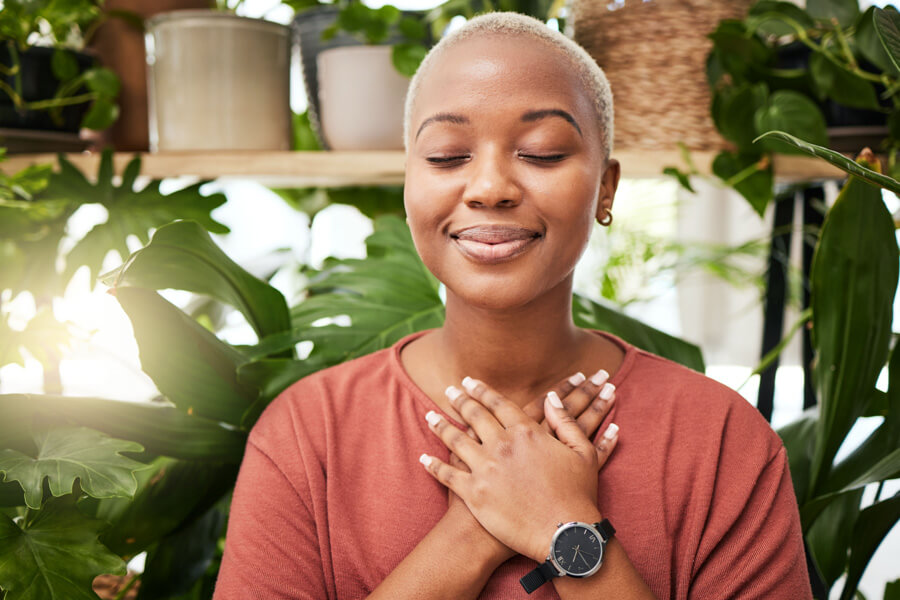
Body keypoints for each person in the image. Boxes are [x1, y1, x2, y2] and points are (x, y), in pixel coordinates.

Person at [213, 11, 813, 600]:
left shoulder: (721, 441)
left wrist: (564, 525)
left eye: (543, 152)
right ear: (409, 185)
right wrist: (469, 534)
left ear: (606, 188)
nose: (490, 187)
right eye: (448, 155)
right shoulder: (306, 436)